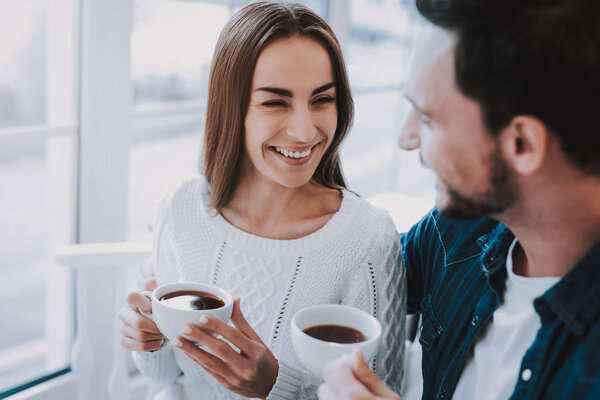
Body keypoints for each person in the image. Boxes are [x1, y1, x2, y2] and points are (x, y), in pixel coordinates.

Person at [118, 2, 406, 399]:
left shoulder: (366, 238)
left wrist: (275, 387)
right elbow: (166, 377)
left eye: (322, 99)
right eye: (276, 102)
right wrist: (147, 338)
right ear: (231, 106)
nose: (305, 131)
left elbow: (381, 393)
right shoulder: (179, 209)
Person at [319, 0, 600, 399]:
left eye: (429, 119)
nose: (407, 139)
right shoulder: (457, 230)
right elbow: (363, 272)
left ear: (522, 144)